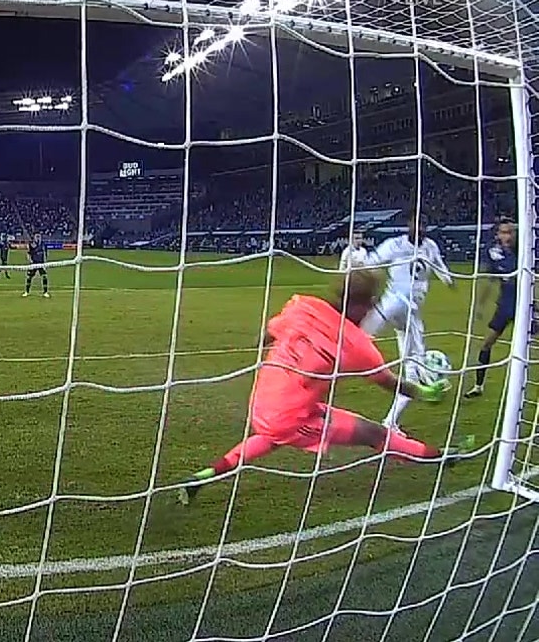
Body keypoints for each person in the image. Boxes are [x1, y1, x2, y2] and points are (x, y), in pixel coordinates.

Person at [177, 270, 473, 506]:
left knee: (270, 437)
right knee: (374, 434)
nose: (373, 308)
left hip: (263, 399)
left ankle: (202, 476)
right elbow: (390, 384)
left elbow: (266, 335)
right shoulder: (357, 345)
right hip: (291, 414)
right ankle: (442, 457)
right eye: (372, 302)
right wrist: (425, 393)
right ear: (362, 304)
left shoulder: (302, 306)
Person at [359, 214, 453, 430]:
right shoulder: (395, 245)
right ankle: (327, 367)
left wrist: (448, 279)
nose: (419, 227)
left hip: (411, 312)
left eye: (423, 223)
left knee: (411, 372)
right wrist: (363, 274)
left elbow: (438, 265)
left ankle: (391, 421)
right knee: (358, 337)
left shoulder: (430, 246)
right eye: (415, 223)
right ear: (408, 224)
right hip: (395, 301)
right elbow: (371, 261)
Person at [466, 218, 518, 398]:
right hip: (505, 306)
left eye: (510, 232)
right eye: (504, 232)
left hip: (525, 307)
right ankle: (478, 386)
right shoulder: (495, 253)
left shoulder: (526, 251)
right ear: (498, 235)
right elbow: (489, 280)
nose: (508, 236)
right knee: (487, 344)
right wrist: (479, 306)